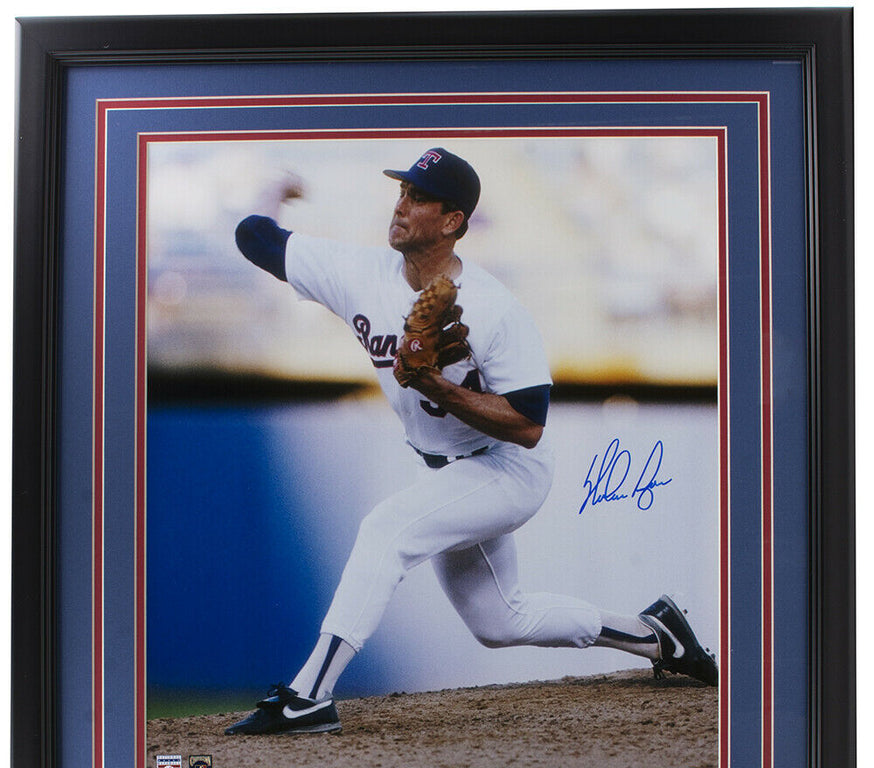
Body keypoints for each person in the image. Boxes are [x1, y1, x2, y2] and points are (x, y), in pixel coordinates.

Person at [226, 146, 717, 736]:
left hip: (506, 468)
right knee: (499, 621)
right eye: (402, 191)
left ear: (452, 221)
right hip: (443, 470)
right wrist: (274, 194)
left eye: (418, 197)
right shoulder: (357, 272)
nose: (401, 205)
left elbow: (529, 425)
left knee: (386, 530)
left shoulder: (493, 308)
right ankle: (653, 634)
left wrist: (437, 384)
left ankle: (310, 695)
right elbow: (255, 237)